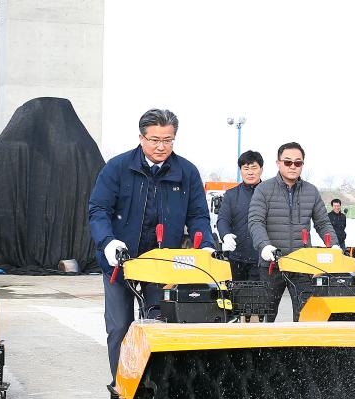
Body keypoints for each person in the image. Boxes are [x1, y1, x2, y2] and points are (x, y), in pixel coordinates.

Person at [88, 109, 216, 379]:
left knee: (160, 324)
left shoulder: (186, 172)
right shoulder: (117, 168)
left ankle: (156, 387)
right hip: (120, 262)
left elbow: (198, 215)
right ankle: (122, 387)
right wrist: (108, 242)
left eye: (168, 140)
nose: (161, 146)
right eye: (155, 139)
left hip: (162, 265)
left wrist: (205, 245)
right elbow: (98, 209)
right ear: (141, 138)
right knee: (119, 327)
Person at [248, 142, 338, 322]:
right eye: (288, 162)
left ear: (302, 164)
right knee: (266, 315)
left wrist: (334, 245)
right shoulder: (263, 190)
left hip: (302, 264)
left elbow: (322, 223)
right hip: (272, 264)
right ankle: (267, 340)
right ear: (278, 163)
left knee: (305, 314)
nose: (293, 166)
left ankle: (301, 341)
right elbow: (255, 222)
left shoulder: (311, 191)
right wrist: (265, 246)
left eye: (298, 163)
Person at [217, 151, 263, 281]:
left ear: (261, 169)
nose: (250, 172)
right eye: (246, 168)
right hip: (236, 257)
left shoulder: (269, 193)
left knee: (258, 293)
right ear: (240, 170)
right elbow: (223, 219)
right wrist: (225, 235)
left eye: (254, 168)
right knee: (236, 292)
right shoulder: (231, 195)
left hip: (261, 258)